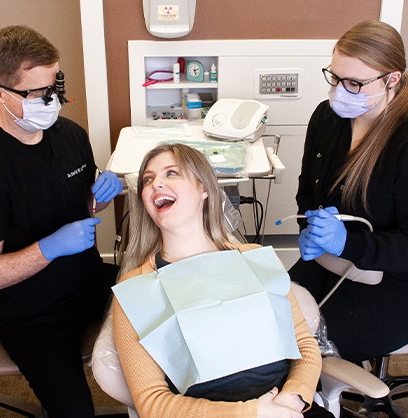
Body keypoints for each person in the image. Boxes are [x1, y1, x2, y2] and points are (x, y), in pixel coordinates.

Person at [0, 25, 123, 417]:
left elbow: (86, 210)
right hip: (33, 314)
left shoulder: (71, 136)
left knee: (169, 309)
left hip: (87, 281)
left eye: (55, 85)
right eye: (37, 92)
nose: (52, 99)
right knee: (75, 411)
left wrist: (100, 197)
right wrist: (48, 248)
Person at [113, 143, 333, 418]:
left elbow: (305, 345)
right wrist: (254, 412)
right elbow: (153, 404)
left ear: (204, 188)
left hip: (286, 406)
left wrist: (293, 398)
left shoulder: (256, 259)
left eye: (171, 173)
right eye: (148, 179)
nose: (156, 183)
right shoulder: (135, 291)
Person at [289, 20, 408, 362]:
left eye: (354, 83)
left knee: (297, 349)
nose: (339, 91)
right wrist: (311, 228)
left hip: (402, 287)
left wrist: (345, 241)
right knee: (266, 316)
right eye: (334, 77)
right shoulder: (327, 118)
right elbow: (308, 190)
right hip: (334, 263)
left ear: (392, 79)